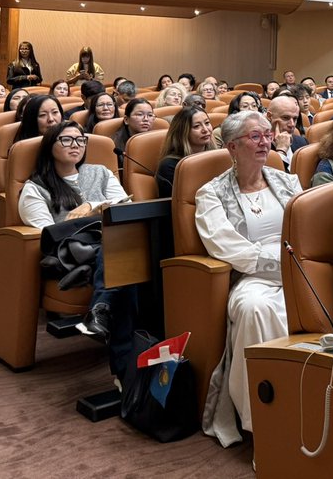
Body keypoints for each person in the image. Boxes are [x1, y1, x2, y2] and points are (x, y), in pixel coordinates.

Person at [196, 110, 301, 447]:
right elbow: (224, 244)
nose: (264, 141)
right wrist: (278, 264)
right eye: (255, 136)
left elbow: (305, 226)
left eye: (267, 135)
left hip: (299, 267)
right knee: (254, 308)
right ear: (232, 146)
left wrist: (298, 262)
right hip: (251, 275)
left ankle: (308, 399)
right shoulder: (211, 192)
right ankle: (263, 419)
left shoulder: (287, 180)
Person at [17, 121, 135, 375]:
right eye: (67, 140)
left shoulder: (100, 172)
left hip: (110, 246)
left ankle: (102, 315)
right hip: (73, 256)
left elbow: (123, 204)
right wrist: (87, 215)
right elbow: (47, 235)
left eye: (81, 140)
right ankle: (127, 372)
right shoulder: (35, 187)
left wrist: (91, 207)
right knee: (124, 264)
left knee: (123, 255)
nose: (76, 146)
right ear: (50, 146)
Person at [156, 107, 217, 196]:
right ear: (182, 132)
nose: (205, 130)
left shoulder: (217, 157)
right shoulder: (170, 165)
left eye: (207, 123)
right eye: (196, 126)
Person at [111, 98, 156, 169]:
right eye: (140, 114)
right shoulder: (114, 145)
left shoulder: (158, 140)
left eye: (150, 115)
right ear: (126, 119)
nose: (146, 119)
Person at [264, 93, 305, 170]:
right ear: (269, 116)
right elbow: (273, 179)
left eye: (295, 119)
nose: (292, 124)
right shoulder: (260, 147)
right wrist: (281, 150)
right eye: (285, 118)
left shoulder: (302, 142)